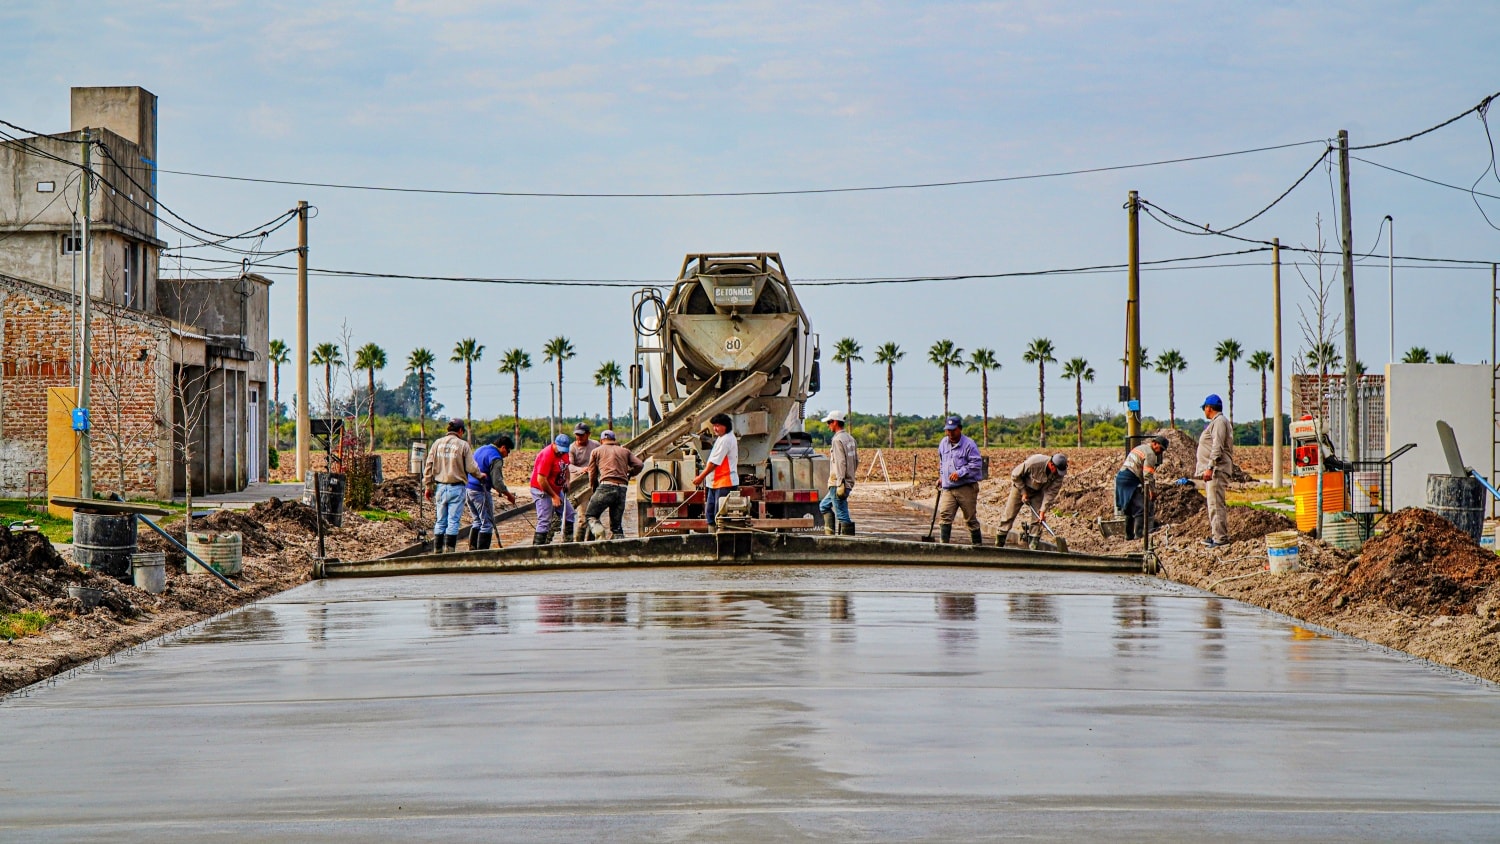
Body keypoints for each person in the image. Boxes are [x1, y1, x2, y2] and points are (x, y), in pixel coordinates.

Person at [422, 419, 484, 553]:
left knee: (440, 521)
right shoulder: (463, 445)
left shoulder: (437, 443)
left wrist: (428, 486)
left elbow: (428, 466)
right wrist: (480, 476)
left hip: (440, 487)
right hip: (456, 487)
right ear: (460, 431)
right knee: (453, 521)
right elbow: (471, 467)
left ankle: (437, 550)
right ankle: (449, 552)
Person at [995, 452, 1069, 547]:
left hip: (1038, 491)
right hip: (1020, 487)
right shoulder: (1034, 463)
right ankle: (999, 542)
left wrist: (1043, 511)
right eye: (1057, 470)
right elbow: (1015, 475)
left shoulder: (1059, 474)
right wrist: (1023, 492)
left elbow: (1051, 493)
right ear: (1051, 464)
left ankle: (1033, 545)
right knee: (1009, 515)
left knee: (1037, 519)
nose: (1057, 473)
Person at [585, 430, 643, 539]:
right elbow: (639, 464)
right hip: (622, 489)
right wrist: (630, 473)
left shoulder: (596, 451)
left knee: (590, 515)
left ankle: (599, 531)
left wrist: (594, 489)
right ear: (614, 440)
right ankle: (620, 552)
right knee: (616, 526)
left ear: (601, 440)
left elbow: (592, 474)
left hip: (606, 486)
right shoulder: (624, 451)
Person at [936, 415, 985, 545]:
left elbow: (976, 464)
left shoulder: (969, 444)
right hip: (948, 488)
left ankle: (978, 547)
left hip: (966, 487)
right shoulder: (943, 443)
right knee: (945, 516)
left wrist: (960, 473)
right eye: (948, 430)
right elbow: (942, 463)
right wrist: (941, 477)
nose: (950, 433)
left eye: (953, 430)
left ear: (960, 429)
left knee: (970, 519)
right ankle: (943, 546)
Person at [464, 434, 516, 550]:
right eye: (508, 451)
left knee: (477, 521)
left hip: (468, 489)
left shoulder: (481, 449)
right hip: (480, 491)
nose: (507, 455)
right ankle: (482, 554)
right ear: (503, 447)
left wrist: (498, 489)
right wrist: (509, 495)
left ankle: (472, 549)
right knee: (487, 524)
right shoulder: (496, 457)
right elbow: (497, 481)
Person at [1196, 394, 1235, 548]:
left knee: (1216, 505)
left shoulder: (1219, 422)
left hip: (1216, 470)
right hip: (1214, 470)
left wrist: (1210, 467)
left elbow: (1217, 447)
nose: (1204, 411)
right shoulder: (1218, 422)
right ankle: (1217, 535)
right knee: (1214, 504)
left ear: (1209, 408)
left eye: (1204, 408)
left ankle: (1220, 539)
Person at [1115, 435, 1169, 541]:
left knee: (1129, 510)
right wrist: (1152, 491)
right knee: (1141, 508)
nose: (1160, 452)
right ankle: (1139, 536)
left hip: (1121, 477)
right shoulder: (1150, 454)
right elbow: (1147, 475)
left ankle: (1128, 536)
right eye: (1161, 449)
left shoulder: (1140, 448)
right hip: (1130, 480)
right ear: (1155, 443)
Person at [691, 413, 738, 528]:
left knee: (720, 516)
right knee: (710, 515)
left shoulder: (726, 440)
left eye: (718, 425)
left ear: (725, 426)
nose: (715, 428)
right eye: (714, 426)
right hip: (715, 483)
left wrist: (700, 477)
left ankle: (720, 539)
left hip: (725, 482)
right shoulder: (721, 438)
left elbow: (714, 463)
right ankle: (712, 537)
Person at [530, 433, 576, 545]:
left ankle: (567, 545)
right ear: (554, 444)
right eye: (559, 449)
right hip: (542, 490)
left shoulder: (564, 454)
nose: (561, 452)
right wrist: (554, 496)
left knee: (569, 515)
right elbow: (541, 480)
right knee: (545, 520)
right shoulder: (547, 455)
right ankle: (538, 550)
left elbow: (566, 468)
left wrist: (567, 480)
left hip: (556, 489)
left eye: (564, 450)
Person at [818, 410, 858, 536]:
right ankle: (829, 537)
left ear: (835, 422)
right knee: (824, 506)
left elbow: (841, 462)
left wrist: (841, 482)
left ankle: (847, 543)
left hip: (838, 483)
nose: (828, 425)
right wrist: (849, 478)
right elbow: (856, 461)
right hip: (846, 481)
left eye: (829, 422)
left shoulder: (837, 440)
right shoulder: (850, 438)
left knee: (842, 513)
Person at [568, 423, 602, 541]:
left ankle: (591, 542)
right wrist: (581, 469)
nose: (579, 438)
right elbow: (569, 466)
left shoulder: (595, 445)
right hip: (579, 485)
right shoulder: (572, 448)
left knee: (594, 514)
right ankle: (578, 543)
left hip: (593, 484)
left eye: (582, 435)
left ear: (588, 434)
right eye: (577, 435)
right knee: (582, 517)